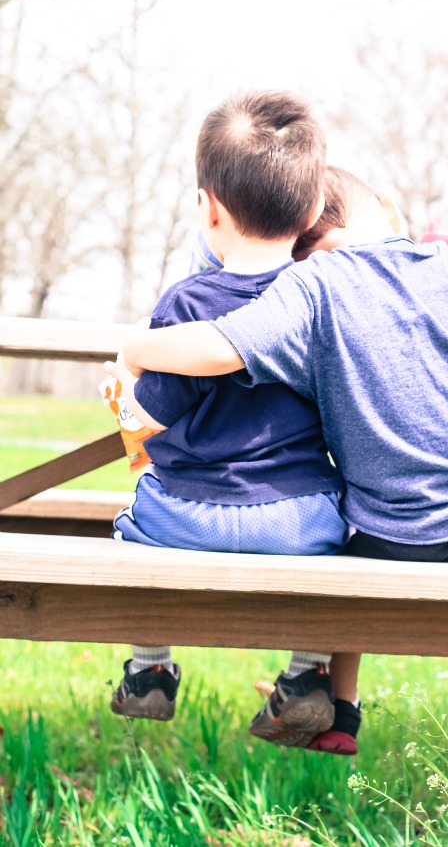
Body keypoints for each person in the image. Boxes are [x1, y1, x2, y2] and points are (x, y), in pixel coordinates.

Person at [117, 152, 448, 775]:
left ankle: (341, 711)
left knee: (345, 537)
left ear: (310, 231)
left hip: (397, 537)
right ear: (385, 212)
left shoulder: (315, 287)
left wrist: (134, 346)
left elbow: (221, 347)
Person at [106, 91, 348, 736]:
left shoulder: (187, 302)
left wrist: (123, 384)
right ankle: (305, 673)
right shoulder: (328, 302)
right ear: (316, 206)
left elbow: (143, 426)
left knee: (129, 525)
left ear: (208, 209)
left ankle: (150, 668)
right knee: (343, 541)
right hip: (301, 522)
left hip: (182, 516)